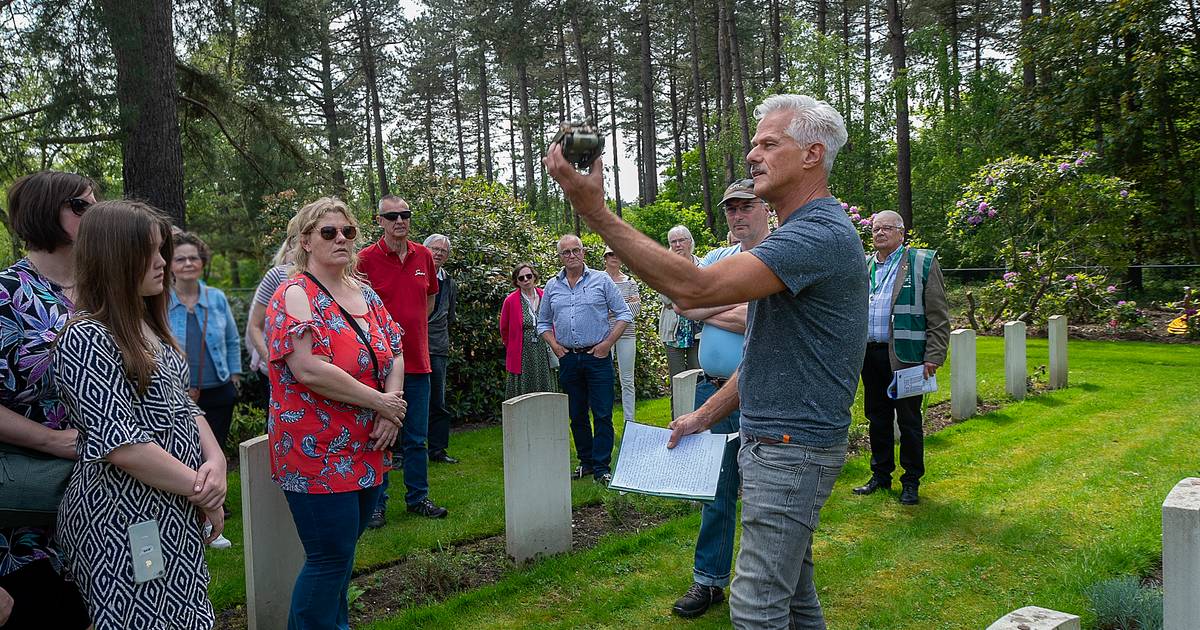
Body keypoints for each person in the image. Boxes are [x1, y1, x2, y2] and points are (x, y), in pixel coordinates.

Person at [546, 93, 867, 629]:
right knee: (793, 599)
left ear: (813, 154)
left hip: (791, 449)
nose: (752, 155)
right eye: (753, 143)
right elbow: (767, 356)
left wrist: (593, 212)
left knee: (757, 604)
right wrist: (703, 416)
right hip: (780, 444)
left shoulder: (817, 234)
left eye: (769, 143)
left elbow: (692, 291)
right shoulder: (796, 235)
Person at [54, 199, 227, 630]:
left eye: (161, 249)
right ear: (114, 257)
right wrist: (202, 492)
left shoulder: (151, 328)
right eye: (148, 251)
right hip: (126, 518)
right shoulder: (87, 337)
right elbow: (122, 446)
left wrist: (217, 463)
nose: (162, 262)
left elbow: (183, 406)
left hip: (172, 506)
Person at [263, 197, 405, 629]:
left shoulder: (364, 291)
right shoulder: (295, 294)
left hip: (367, 445)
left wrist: (390, 408)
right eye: (328, 232)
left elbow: (395, 351)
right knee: (328, 559)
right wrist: (379, 401)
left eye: (347, 231)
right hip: (317, 453)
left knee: (343, 557)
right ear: (305, 240)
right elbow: (308, 369)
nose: (340, 238)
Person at [669, 179, 772, 618]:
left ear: (765, 207)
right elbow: (685, 304)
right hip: (712, 387)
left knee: (768, 494)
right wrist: (737, 311)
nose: (736, 215)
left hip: (762, 391)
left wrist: (719, 308)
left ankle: (768, 585)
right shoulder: (717, 258)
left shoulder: (779, 256)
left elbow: (765, 320)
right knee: (716, 489)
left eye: (745, 206)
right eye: (730, 209)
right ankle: (708, 582)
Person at [0, 171, 93, 629]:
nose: (95, 215)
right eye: (81, 206)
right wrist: (50, 440)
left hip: (105, 502)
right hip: (28, 512)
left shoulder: (107, 289)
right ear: (43, 212)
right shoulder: (5, 295)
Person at [359, 195, 448, 524]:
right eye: (392, 216)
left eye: (405, 215)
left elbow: (430, 298)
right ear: (379, 221)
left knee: (416, 437)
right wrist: (385, 338)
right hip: (378, 367)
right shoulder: (365, 260)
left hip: (418, 362)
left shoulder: (424, 255)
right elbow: (357, 306)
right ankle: (376, 504)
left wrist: (410, 330)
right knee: (380, 437)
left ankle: (417, 498)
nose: (400, 221)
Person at [851, 210, 950, 506]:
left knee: (908, 421)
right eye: (875, 229)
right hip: (871, 354)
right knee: (877, 418)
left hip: (907, 356)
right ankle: (880, 475)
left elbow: (938, 314)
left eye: (886, 228)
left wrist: (933, 355)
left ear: (901, 233)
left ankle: (911, 481)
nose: (879, 233)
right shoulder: (867, 265)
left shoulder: (921, 263)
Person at [537, 235, 633, 485]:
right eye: (565, 252)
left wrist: (607, 344)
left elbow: (624, 313)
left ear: (583, 252)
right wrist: (555, 346)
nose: (571, 256)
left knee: (602, 414)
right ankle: (586, 462)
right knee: (577, 414)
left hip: (597, 356)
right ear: (560, 257)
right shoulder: (552, 286)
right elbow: (543, 322)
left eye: (575, 250)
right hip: (568, 357)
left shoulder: (601, 280)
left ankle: (602, 467)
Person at [168, 233, 242, 456]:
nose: (188, 263)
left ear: (202, 262)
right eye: (180, 259)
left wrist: (235, 376)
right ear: (169, 265)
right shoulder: (160, 301)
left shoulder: (217, 298)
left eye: (194, 258)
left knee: (216, 451)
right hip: (177, 394)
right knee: (184, 453)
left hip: (220, 391)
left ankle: (214, 489)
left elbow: (232, 338)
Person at [247, 223, 300, 381]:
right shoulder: (278, 275)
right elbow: (255, 325)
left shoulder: (336, 275)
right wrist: (270, 362)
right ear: (292, 242)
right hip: (279, 376)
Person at [423, 233, 459, 464]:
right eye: (434, 249)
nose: (438, 254)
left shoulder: (450, 282)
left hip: (437, 347)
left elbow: (450, 316)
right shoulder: (413, 276)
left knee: (438, 401)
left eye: (442, 251)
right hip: (409, 346)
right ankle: (398, 452)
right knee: (404, 398)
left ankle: (437, 450)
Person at [499, 263, 558, 397]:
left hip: (545, 348)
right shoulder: (510, 301)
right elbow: (504, 329)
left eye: (528, 276)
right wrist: (512, 346)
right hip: (521, 350)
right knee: (523, 386)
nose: (525, 280)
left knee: (545, 381)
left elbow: (555, 321)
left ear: (534, 277)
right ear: (516, 282)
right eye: (521, 278)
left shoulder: (545, 296)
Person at [657, 225, 702, 378]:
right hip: (672, 330)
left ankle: (700, 403)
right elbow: (665, 298)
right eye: (673, 242)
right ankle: (677, 403)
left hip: (699, 330)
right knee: (676, 377)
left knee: (698, 374)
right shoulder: (664, 268)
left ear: (690, 242)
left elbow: (707, 294)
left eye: (681, 240)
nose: (677, 245)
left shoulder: (703, 265)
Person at [603, 246, 641, 423]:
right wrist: (624, 305)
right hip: (605, 336)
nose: (614, 257)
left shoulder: (630, 283)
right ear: (605, 257)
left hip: (627, 334)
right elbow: (598, 309)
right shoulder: (599, 280)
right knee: (604, 379)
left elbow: (636, 309)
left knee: (627, 379)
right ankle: (605, 419)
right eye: (610, 254)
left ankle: (630, 421)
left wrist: (614, 309)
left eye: (617, 253)